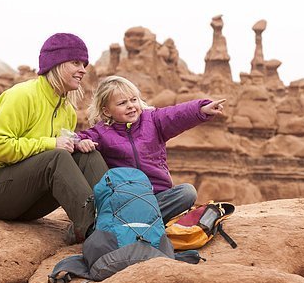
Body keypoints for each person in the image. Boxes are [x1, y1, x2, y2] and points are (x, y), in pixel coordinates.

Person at [0, 33, 108, 242]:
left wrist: (77, 145)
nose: (83, 70)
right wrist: (51, 144)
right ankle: (92, 231)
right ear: (57, 63)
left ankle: (115, 218)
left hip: (26, 201)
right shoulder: (22, 95)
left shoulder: (66, 110)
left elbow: (51, 158)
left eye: (84, 64)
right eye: (76, 62)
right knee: (56, 158)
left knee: (90, 155)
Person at [75, 75, 225, 223]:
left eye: (134, 100)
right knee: (124, 207)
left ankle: (134, 222)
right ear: (107, 111)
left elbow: (177, 115)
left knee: (187, 192)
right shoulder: (102, 132)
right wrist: (81, 142)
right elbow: (79, 137)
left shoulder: (152, 120)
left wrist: (202, 109)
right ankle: (146, 220)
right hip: (128, 200)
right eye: (122, 103)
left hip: (159, 195)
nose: (130, 106)